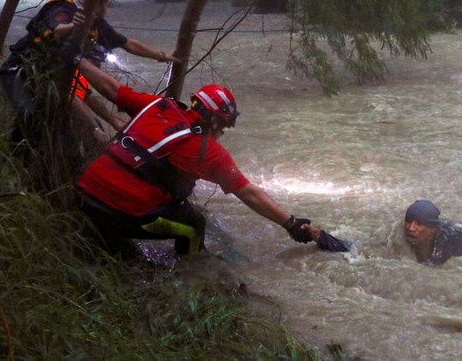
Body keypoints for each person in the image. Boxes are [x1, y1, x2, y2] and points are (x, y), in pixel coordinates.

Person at [73, 57, 336, 256]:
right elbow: (249, 193)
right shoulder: (206, 151)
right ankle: (192, 276)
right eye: (223, 127)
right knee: (195, 225)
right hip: (116, 212)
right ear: (213, 121)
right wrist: (290, 223)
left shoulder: (157, 105)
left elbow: (110, 88)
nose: (222, 133)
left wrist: (76, 59)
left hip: (82, 194)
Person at [0, 0, 179, 148]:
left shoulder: (98, 23)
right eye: (101, 3)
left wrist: (162, 57)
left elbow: (129, 44)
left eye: (106, 3)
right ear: (86, 0)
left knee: (64, 124)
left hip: (50, 78)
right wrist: (74, 25)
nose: (104, 8)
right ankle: (15, 157)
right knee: (28, 114)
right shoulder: (61, 10)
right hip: (19, 70)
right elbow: (57, 30)